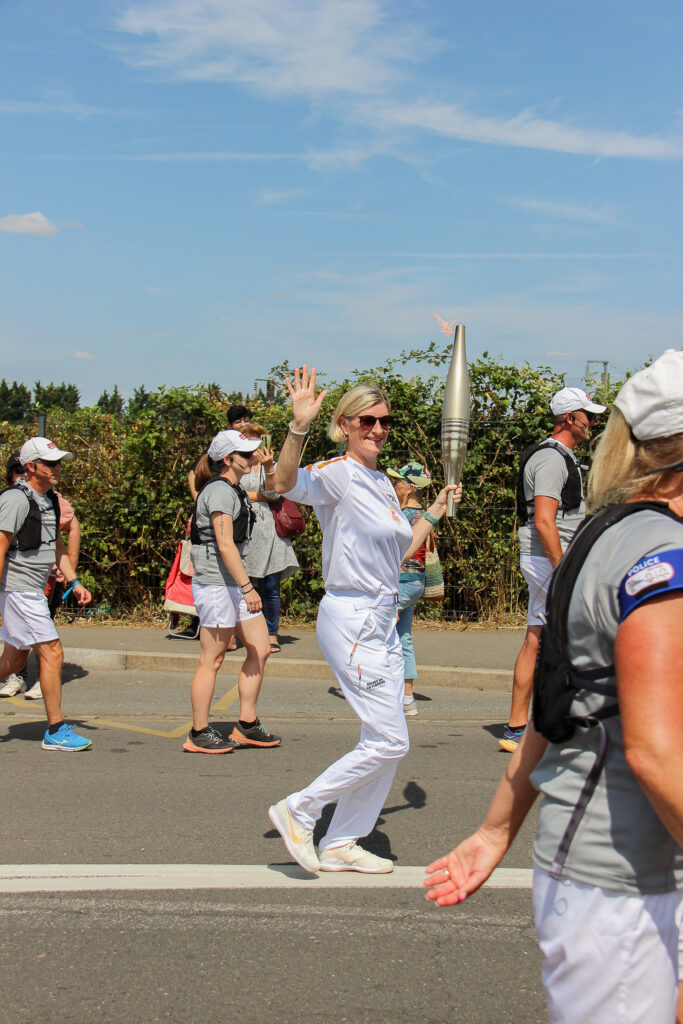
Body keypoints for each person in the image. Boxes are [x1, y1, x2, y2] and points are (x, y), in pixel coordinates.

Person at [425, 349, 683, 1024]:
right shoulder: (662, 558)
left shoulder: (608, 533)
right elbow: (655, 754)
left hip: (611, 879)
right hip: (627, 883)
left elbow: (558, 699)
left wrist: (492, 830)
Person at [268, 367, 461, 874]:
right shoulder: (337, 474)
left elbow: (400, 552)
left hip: (383, 617)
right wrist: (297, 427)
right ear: (346, 424)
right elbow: (281, 483)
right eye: (367, 421)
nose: (378, 429)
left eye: (384, 422)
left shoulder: (381, 483)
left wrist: (435, 511)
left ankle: (341, 842)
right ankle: (300, 808)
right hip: (351, 618)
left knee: (388, 741)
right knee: (391, 739)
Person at [500, 386, 605, 752]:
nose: (592, 422)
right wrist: (563, 569)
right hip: (548, 560)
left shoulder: (562, 457)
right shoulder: (551, 460)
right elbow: (544, 521)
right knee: (562, 637)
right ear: (569, 419)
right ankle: (539, 724)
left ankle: (521, 725)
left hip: (548, 559)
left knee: (539, 637)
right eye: (588, 416)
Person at [183, 428, 280, 754]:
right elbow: (225, 544)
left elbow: (276, 491)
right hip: (216, 584)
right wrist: (248, 588)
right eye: (248, 454)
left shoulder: (234, 490)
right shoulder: (221, 493)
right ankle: (198, 732)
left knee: (261, 647)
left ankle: (247, 724)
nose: (254, 457)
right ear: (228, 459)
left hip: (233, 583)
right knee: (213, 658)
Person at [0, 437, 92, 750]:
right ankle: (55, 730)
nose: (57, 467)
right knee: (52, 652)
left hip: (33, 591)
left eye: (59, 462)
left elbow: (57, 549)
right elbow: (0, 548)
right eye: (51, 463)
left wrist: (74, 581)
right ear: (31, 467)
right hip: (18, 589)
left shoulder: (50, 500)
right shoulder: (16, 499)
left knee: (13, 662)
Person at [239, 423, 299, 653]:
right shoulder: (238, 466)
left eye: (258, 443)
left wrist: (267, 469)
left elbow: (274, 495)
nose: (254, 449)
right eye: (249, 443)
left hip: (271, 533)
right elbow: (233, 492)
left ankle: (271, 633)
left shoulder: (270, 466)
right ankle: (249, 632)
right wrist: (257, 495)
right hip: (245, 532)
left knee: (271, 586)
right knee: (246, 585)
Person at [387, 462, 432, 717]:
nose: (395, 485)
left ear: (411, 488)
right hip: (416, 582)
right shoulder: (423, 514)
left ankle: (381, 692)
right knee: (403, 637)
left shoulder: (404, 516)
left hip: (400, 583)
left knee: (381, 632)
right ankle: (407, 698)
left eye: (399, 482)